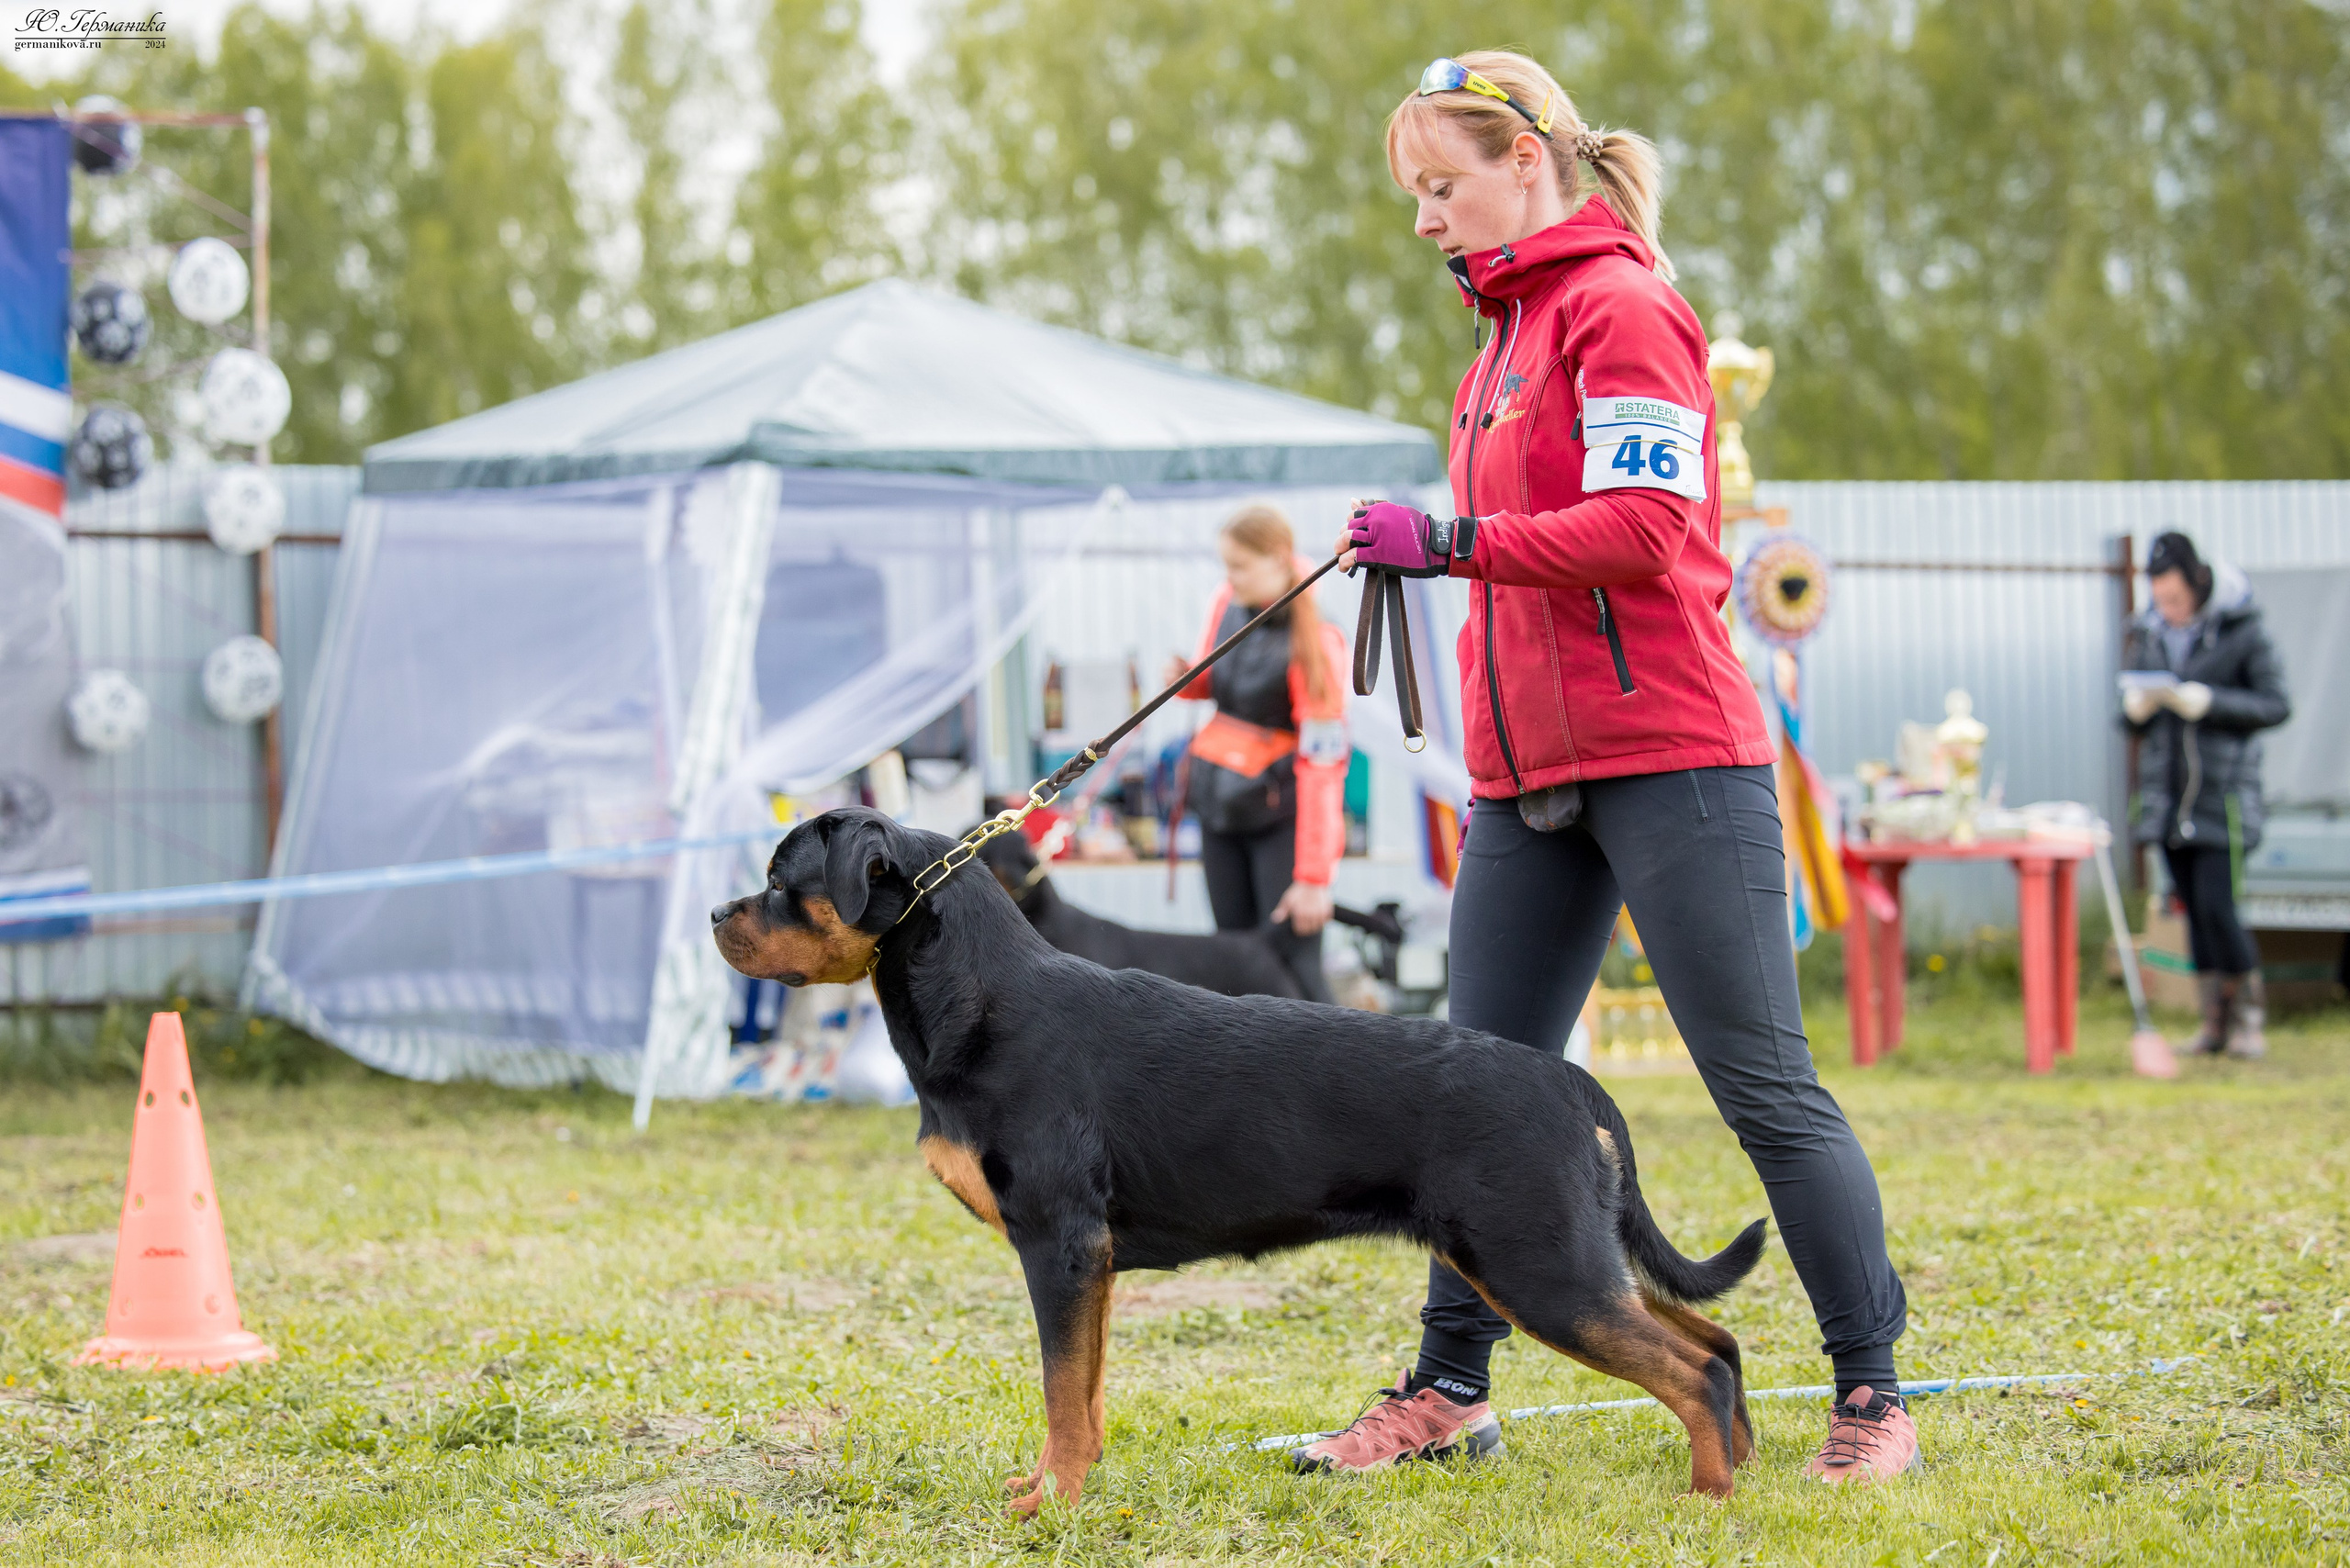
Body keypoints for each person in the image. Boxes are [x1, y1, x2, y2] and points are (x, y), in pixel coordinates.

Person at [1304, 50, 1917, 1484]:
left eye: (1441, 188)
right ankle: (1452, 1389)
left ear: (1527, 165)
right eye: (1415, 196)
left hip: (1674, 758)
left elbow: (1647, 529)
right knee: (1475, 1094)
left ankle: (1874, 1398)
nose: (1424, 220)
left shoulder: (1627, 307)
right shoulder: (1498, 345)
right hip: (1526, 784)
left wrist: (1447, 544)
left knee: (1763, 1088)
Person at [1167, 504, 1349, 1002]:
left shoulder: (1317, 641)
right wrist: (1187, 682)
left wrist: (1313, 878)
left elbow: (1325, 764)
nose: (1230, 578)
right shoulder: (1226, 601)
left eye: (1240, 566)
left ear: (1278, 559)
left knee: (1295, 979)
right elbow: (1216, 680)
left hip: (1280, 823)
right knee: (1232, 966)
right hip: (1218, 807)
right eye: (1226, 566)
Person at [2121, 531, 2289, 1058]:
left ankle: (2249, 1022)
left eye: (2175, 599)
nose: (2166, 609)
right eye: (2159, 599)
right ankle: (2214, 1025)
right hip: (2170, 802)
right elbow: (2128, 718)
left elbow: (2276, 704)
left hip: (2224, 798)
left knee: (2220, 907)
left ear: (2198, 585)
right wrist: (2135, 711)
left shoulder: (2243, 630)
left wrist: (2210, 702)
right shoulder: (2147, 632)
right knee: (2192, 911)